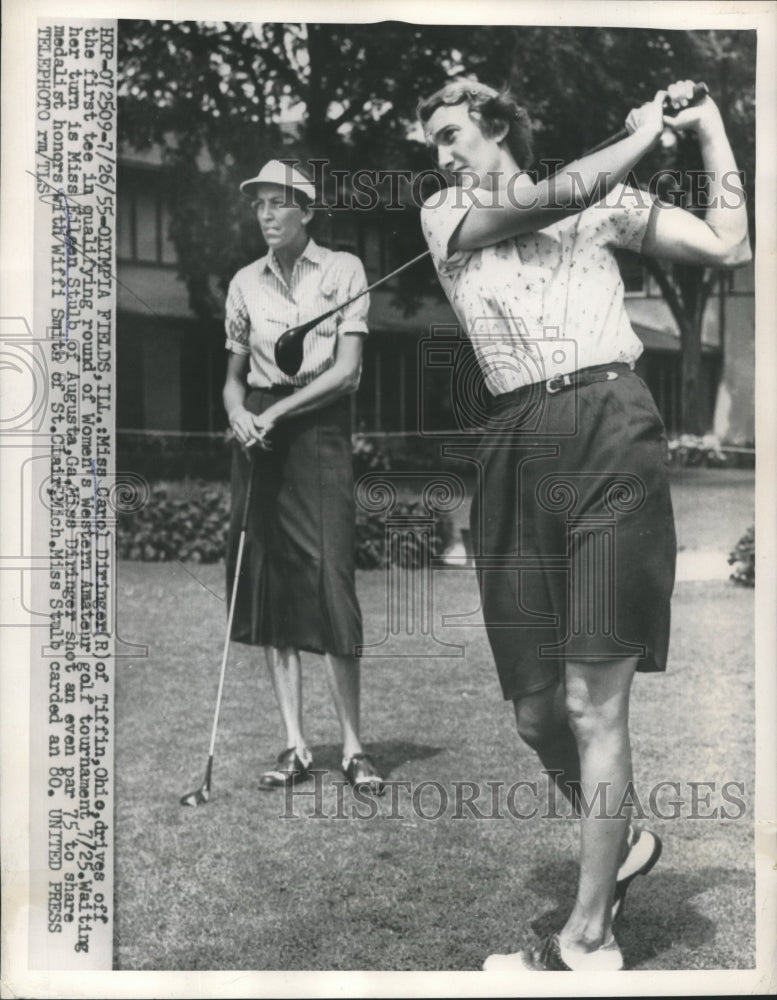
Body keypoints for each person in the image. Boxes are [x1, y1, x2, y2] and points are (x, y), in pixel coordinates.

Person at [417, 79, 750, 970]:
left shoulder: (607, 203)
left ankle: (588, 934)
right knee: (535, 715)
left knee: (590, 704)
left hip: (610, 427)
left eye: (450, 134)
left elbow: (730, 241)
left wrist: (709, 129)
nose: (440, 155)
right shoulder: (445, 213)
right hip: (513, 446)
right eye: (430, 144)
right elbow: (556, 195)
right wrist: (642, 133)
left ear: (497, 124)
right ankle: (625, 838)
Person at [222, 159, 385, 795]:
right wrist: (239, 413)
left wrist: (276, 412)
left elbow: (345, 372)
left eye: (278, 203)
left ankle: (352, 747)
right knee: (268, 582)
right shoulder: (242, 283)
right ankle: (294, 746)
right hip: (257, 436)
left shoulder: (343, 270)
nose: (266, 214)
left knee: (330, 578)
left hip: (317, 431)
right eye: (258, 204)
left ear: (307, 210)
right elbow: (234, 380)